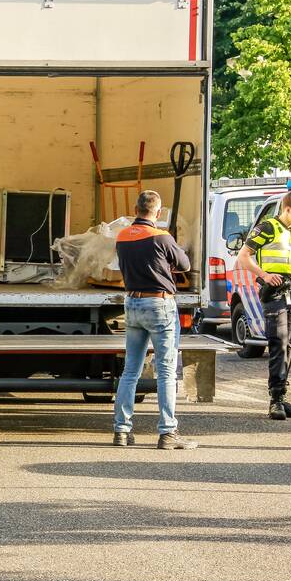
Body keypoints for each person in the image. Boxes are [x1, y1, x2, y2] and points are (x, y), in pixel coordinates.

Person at [112, 190, 195, 450]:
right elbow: (185, 265)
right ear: (157, 213)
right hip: (159, 304)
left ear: (135, 210)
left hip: (132, 303)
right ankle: (168, 432)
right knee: (166, 371)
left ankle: (121, 431)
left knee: (130, 371)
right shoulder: (161, 237)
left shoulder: (122, 236)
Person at [236, 190, 291, 420]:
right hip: (275, 293)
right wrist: (264, 275)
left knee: (289, 345)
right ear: (287, 209)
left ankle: (282, 396)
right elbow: (243, 256)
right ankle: (275, 400)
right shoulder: (268, 228)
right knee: (278, 343)